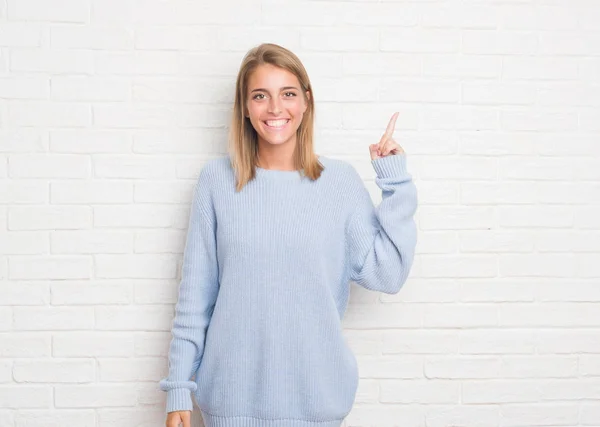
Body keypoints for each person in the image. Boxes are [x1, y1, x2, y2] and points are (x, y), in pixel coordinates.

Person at [159, 43, 418, 427]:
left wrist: (395, 181)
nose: (276, 108)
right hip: (232, 401)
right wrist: (179, 386)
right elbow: (195, 296)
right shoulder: (216, 182)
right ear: (245, 108)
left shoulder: (340, 184)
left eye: (288, 94)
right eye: (260, 96)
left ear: (306, 102)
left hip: (316, 403)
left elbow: (389, 274)